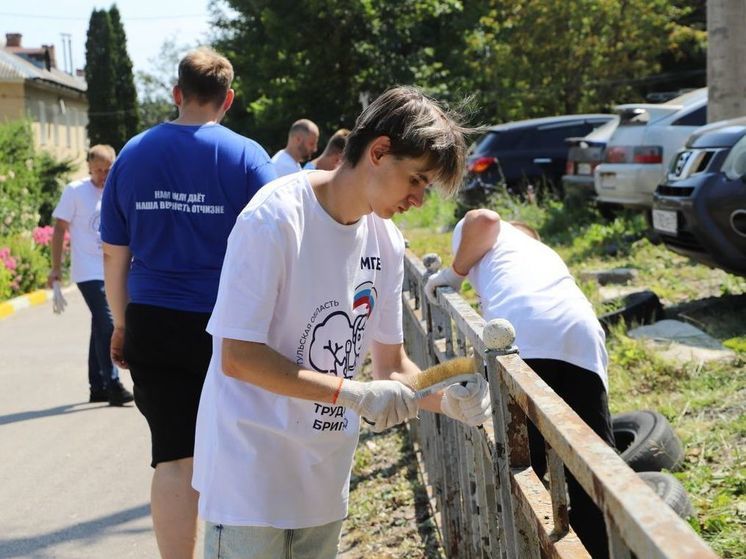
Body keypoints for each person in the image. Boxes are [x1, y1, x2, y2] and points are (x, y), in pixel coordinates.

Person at [192, 86, 490, 559]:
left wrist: (445, 398)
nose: (417, 199)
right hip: (250, 474)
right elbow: (238, 356)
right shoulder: (275, 218)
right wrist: (350, 392)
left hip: (324, 478)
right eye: (415, 180)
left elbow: (391, 367)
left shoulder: (385, 241)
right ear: (378, 152)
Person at [100, 47, 277, 559]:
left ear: (176, 94)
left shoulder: (132, 154)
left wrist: (121, 323)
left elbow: (114, 253)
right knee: (239, 452)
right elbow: (280, 241)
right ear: (229, 99)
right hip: (228, 325)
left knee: (173, 459)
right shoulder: (248, 156)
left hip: (152, 320)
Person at [425, 209, 614, 559]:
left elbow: (485, 219)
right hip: (580, 333)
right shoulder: (542, 255)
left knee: (527, 472)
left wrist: (454, 273)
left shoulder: (494, 238)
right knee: (592, 468)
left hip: (522, 334)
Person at [48, 145, 134, 406]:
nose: (103, 175)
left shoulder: (117, 189)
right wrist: (55, 268)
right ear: (88, 167)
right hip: (87, 271)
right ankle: (113, 384)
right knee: (109, 323)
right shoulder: (75, 191)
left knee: (100, 326)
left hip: (112, 269)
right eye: (98, 170)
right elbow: (59, 230)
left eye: (108, 170)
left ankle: (97, 385)